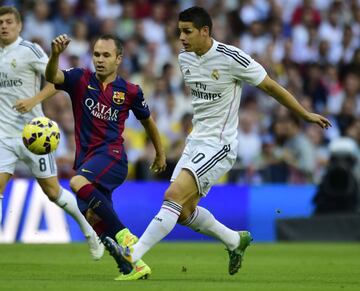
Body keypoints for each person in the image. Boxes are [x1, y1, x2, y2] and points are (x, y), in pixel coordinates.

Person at [109, 6, 332, 279]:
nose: (181, 37)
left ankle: (133, 256)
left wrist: (304, 114)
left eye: (187, 31)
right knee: (183, 212)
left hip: (220, 144)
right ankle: (234, 240)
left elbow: (271, 86)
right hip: (195, 142)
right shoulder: (185, 59)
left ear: (205, 31)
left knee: (172, 197)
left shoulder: (232, 58)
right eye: (180, 31)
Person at [45, 33, 166, 280]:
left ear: (118, 59)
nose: (100, 60)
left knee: (77, 183)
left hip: (113, 157)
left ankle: (126, 237)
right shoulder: (79, 78)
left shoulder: (130, 91)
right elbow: (51, 77)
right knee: (92, 215)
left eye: (106, 55)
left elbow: (148, 123)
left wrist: (160, 153)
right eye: (97, 54)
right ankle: (136, 265)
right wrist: (56, 54)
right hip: (87, 160)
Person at [0, 6, 104, 260]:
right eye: (0, 22)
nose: (4, 26)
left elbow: (57, 81)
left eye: (9, 22)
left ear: (20, 26)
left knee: (52, 191)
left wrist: (33, 99)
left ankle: (89, 231)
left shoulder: (30, 50)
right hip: (3, 135)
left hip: (34, 135)